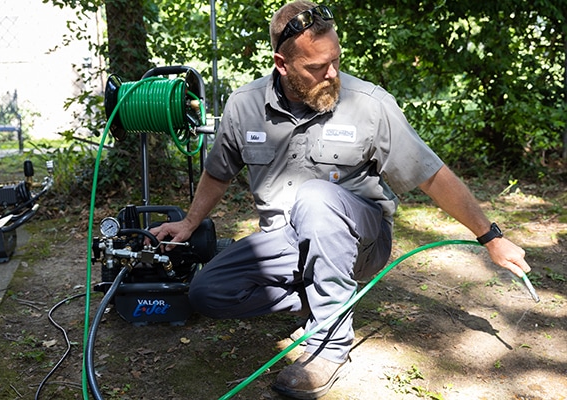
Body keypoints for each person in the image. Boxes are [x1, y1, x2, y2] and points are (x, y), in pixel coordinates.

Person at [149, 1, 531, 398]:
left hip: (362, 239)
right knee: (207, 292)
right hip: (285, 242)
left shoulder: (369, 104)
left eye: (335, 60)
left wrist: (491, 236)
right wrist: (190, 223)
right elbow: (218, 171)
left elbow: (431, 175)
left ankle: (329, 346)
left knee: (315, 198)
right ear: (281, 64)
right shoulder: (243, 106)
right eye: (316, 68)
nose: (331, 74)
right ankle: (324, 295)